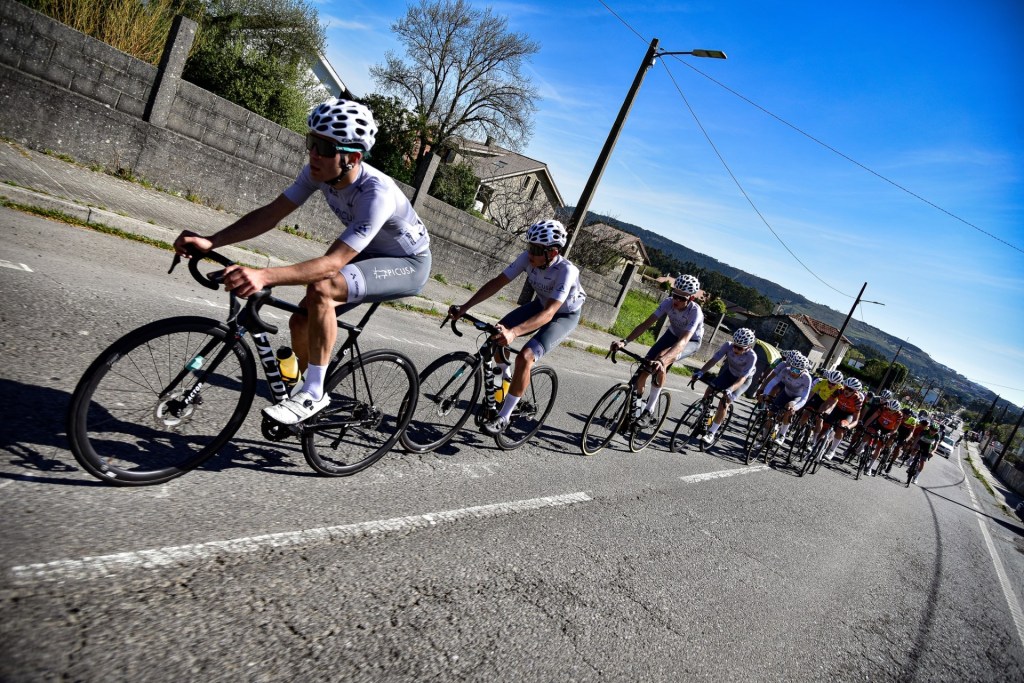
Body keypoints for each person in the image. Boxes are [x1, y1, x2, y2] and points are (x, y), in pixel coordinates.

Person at [173, 98, 431, 425]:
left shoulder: (376, 194)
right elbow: (271, 214)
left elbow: (332, 264)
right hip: (369, 252)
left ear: (352, 158)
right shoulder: (318, 172)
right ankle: (307, 386)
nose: (313, 154)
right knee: (300, 321)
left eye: (324, 147)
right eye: (311, 142)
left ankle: (314, 393)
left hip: (408, 263)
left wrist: (263, 276)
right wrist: (212, 240)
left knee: (323, 287)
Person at [450, 219, 585, 436]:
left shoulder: (567, 271)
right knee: (496, 336)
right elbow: (498, 282)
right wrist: (465, 307)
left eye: (536, 249)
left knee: (525, 357)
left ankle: (504, 417)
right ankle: (505, 383)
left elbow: (549, 313)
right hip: (540, 304)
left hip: (563, 315)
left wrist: (514, 333)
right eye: (529, 246)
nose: (530, 253)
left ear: (552, 252)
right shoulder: (528, 258)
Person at [610, 274, 704, 426]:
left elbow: (683, 341)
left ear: (691, 298)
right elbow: (646, 324)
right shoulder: (668, 302)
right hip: (672, 334)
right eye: (675, 295)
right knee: (645, 368)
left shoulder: (695, 312)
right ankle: (637, 409)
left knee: (661, 359)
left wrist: (663, 360)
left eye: (681, 298)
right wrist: (624, 342)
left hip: (690, 342)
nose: (676, 300)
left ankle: (650, 410)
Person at [691, 328, 759, 445]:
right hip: (729, 373)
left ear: (748, 347)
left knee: (724, 401)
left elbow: (742, 378)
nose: (735, 349)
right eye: (735, 346)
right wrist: (701, 372)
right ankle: (704, 414)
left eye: (739, 348)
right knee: (710, 389)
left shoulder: (752, 356)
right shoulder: (728, 345)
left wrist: (730, 390)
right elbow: (714, 360)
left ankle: (712, 432)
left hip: (742, 380)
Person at [761, 352, 813, 445]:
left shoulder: (807, 378)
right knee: (770, 414)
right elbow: (773, 382)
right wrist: (765, 394)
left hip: (797, 397)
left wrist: (795, 407)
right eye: (792, 368)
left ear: (803, 371)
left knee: (788, 408)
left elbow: (804, 397)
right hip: (785, 393)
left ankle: (782, 435)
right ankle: (763, 439)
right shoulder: (786, 370)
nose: (793, 372)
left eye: (797, 371)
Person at [814, 376, 865, 460]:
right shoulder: (839, 390)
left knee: (841, 427)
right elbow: (828, 402)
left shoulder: (858, 400)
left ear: (855, 391)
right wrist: (822, 411)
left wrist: (848, 427)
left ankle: (832, 450)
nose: (847, 391)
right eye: (846, 388)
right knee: (825, 426)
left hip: (848, 415)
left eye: (850, 390)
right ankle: (815, 446)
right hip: (837, 410)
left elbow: (856, 420)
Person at [862, 398, 904, 476]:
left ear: (897, 410)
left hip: (888, 430)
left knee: (879, 447)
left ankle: (870, 467)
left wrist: (888, 434)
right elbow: (872, 418)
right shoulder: (883, 408)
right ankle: (862, 446)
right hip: (878, 424)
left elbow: (895, 429)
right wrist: (864, 426)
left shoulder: (899, 415)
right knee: (869, 431)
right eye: (889, 409)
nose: (890, 411)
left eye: (893, 411)